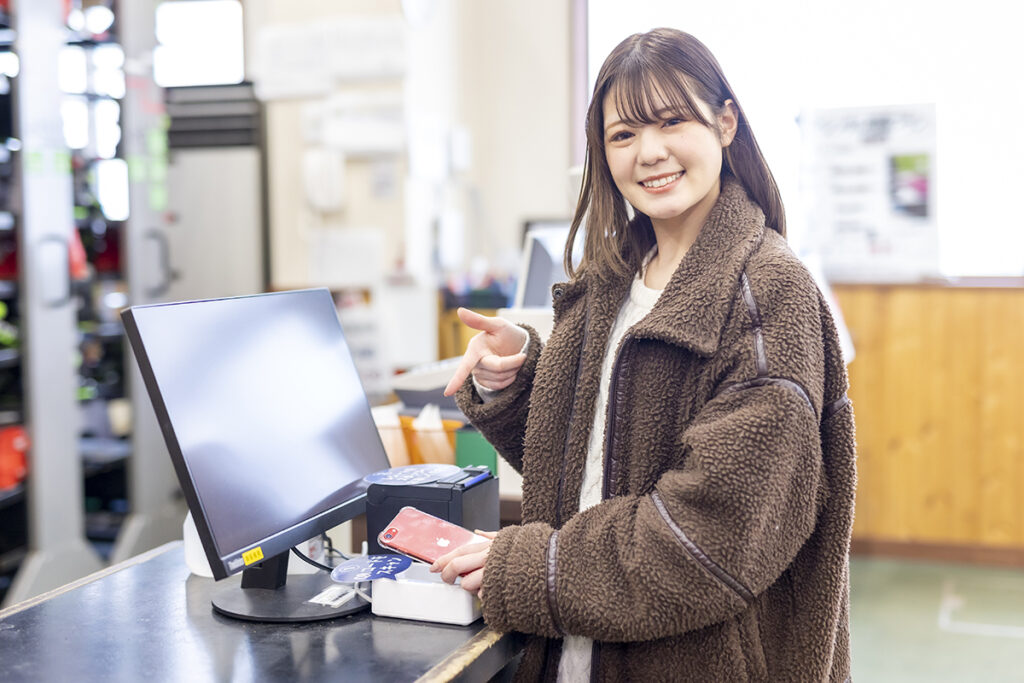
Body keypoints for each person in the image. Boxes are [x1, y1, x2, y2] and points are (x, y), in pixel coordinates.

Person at [432, 27, 856, 682]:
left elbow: (710, 537)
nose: (649, 152)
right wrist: (517, 381)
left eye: (670, 121)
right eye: (623, 134)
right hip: (575, 654)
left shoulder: (770, 296)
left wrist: (529, 566)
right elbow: (588, 467)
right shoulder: (612, 279)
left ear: (723, 121)